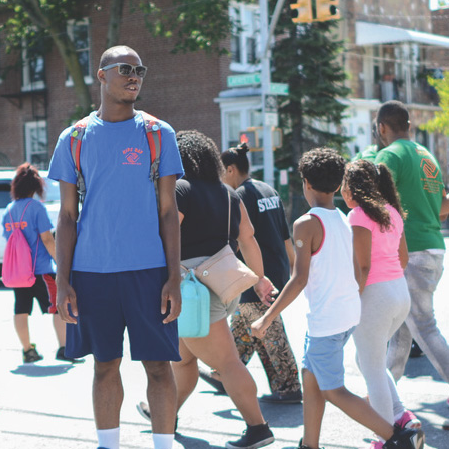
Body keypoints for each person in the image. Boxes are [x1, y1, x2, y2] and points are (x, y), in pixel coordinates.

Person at [48, 45, 184, 449]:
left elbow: (168, 211)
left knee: (159, 367)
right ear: (101, 75)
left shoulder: (159, 133)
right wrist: (62, 280)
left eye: (140, 69)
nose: (135, 75)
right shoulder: (73, 138)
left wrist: (174, 278)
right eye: (125, 68)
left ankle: (163, 445)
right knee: (104, 365)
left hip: (149, 272)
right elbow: (67, 217)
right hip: (92, 275)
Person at [250, 147, 424, 449]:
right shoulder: (344, 218)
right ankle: (310, 444)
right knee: (311, 377)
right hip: (342, 317)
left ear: (305, 182)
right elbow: (357, 269)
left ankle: (397, 437)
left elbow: (299, 278)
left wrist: (267, 317)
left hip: (326, 321)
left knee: (334, 390)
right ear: (337, 184)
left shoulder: (306, 223)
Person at [136, 129, 275, 449]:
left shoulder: (180, 189)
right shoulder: (229, 193)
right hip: (223, 285)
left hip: (194, 290)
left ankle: (258, 427)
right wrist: (260, 277)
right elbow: (248, 237)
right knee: (184, 360)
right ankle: (166, 416)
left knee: (227, 362)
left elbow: (163, 233)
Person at [198, 142, 300, 404]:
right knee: (243, 329)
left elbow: (237, 239)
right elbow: (284, 234)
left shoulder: (239, 196)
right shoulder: (269, 190)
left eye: (222, 172)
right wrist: (293, 267)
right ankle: (224, 374)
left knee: (269, 329)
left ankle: (289, 387)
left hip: (255, 277)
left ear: (231, 169)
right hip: (275, 270)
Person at [342, 160, 422, 448]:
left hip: (375, 296)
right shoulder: (392, 213)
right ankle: (401, 416)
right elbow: (402, 259)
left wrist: (351, 301)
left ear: (355, 188)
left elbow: (362, 267)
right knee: (368, 360)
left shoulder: (358, 216)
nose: (342, 189)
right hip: (399, 294)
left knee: (372, 367)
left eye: (345, 183)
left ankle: (384, 437)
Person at [375, 101, 449, 395]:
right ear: (409, 124)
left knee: (424, 327)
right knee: (403, 332)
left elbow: (374, 202)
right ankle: (385, 400)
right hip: (433, 247)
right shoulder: (427, 156)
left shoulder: (389, 155)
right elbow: (444, 207)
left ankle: (382, 399)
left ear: (382, 127)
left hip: (411, 252)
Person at [2, 163, 77, 364]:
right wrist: (61, 264)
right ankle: (64, 349)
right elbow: (47, 239)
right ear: (35, 186)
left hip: (19, 273)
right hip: (42, 270)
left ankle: (27, 350)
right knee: (57, 307)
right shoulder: (36, 208)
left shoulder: (8, 211)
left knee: (21, 309)